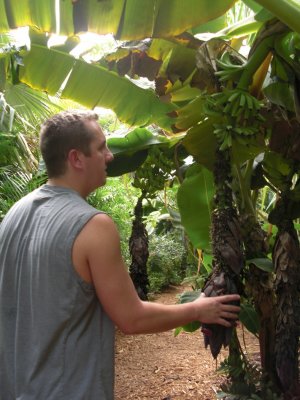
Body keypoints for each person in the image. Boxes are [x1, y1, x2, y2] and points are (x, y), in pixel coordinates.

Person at [0, 110, 240, 399]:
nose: (110, 156)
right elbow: (131, 318)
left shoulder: (14, 215)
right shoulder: (93, 225)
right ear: (76, 158)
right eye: (101, 147)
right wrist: (198, 309)